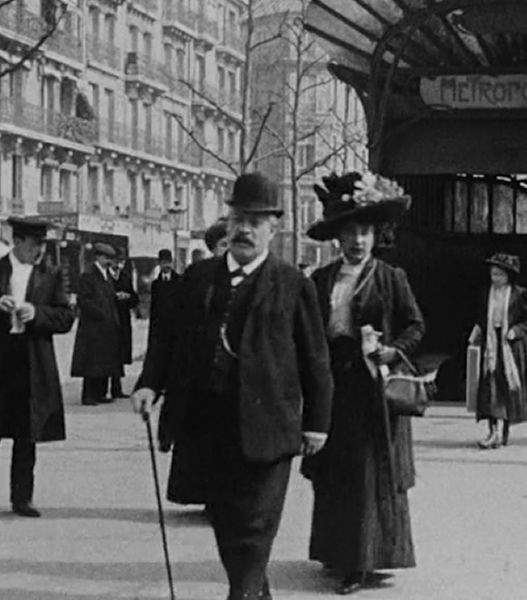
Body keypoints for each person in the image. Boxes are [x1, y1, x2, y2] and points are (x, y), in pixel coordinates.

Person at [132, 172, 333, 600]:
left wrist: (317, 423)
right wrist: (150, 385)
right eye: (238, 218)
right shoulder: (199, 278)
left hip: (269, 426)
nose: (244, 228)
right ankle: (254, 593)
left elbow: (315, 357)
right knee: (224, 521)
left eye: (256, 221)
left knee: (254, 526)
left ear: (274, 228)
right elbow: (167, 339)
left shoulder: (293, 285)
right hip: (208, 423)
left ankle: (240, 595)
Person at [301, 171, 425, 595]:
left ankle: (365, 561)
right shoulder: (320, 280)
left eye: (366, 232)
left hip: (373, 391)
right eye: (351, 232)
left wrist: (392, 351)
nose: (358, 241)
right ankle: (337, 552)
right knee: (335, 473)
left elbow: (415, 325)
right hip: (333, 387)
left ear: (377, 236)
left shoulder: (391, 278)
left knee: (368, 474)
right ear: (338, 237)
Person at [0, 216, 75, 517]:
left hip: (31, 359)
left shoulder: (51, 274)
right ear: (16, 242)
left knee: (25, 431)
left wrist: (38, 313)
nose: (39, 251)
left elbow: (66, 317)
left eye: (43, 245)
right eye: (33, 245)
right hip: (2, 354)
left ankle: (22, 497)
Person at [468, 253, 527, 448]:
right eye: (493, 274)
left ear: (508, 276)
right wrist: (475, 334)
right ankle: (492, 431)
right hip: (491, 344)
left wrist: (516, 331)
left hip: (511, 347)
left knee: (506, 388)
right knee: (490, 389)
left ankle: (502, 431)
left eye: (499, 275)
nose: (495, 278)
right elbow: (481, 318)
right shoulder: (486, 293)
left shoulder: (520, 294)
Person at [71, 243, 123, 406]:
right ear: (98, 257)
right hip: (93, 326)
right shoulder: (88, 275)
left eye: (110, 258)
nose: (109, 261)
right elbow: (84, 300)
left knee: (104, 360)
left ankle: (100, 392)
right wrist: (100, 313)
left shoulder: (107, 276)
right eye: (106, 258)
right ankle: (88, 395)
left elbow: (107, 296)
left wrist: (116, 297)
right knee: (91, 361)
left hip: (106, 326)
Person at [109, 256, 139, 399]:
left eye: (121, 261)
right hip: (109, 319)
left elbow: (135, 299)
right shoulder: (106, 276)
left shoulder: (125, 277)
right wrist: (115, 296)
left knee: (119, 354)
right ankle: (101, 388)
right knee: (107, 354)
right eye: (116, 261)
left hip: (123, 320)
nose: (118, 264)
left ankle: (117, 387)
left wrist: (127, 297)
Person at [148, 248, 180, 341]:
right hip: (160, 330)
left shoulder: (180, 281)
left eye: (169, 262)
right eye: (164, 262)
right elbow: (154, 310)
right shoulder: (156, 284)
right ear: (159, 263)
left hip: (175, 329)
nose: (167, 265)